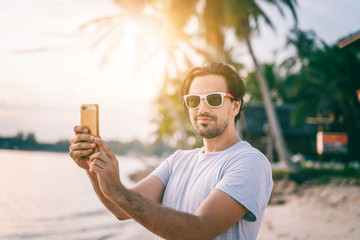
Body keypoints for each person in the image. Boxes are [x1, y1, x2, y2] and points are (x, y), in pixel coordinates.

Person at [69, 62, 273, 240]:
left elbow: (200, 230)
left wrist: (118, 190)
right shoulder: (178, 160)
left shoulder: (250, 162)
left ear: (235, 106)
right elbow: (121, 209)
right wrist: (93, 169)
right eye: (193, 100)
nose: (202, 108)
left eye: (214, 99)